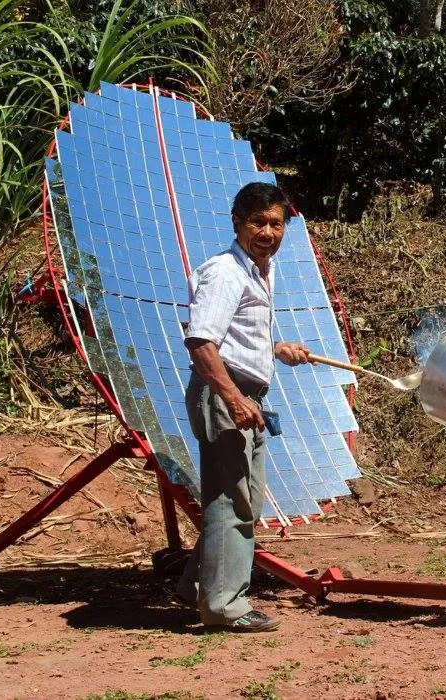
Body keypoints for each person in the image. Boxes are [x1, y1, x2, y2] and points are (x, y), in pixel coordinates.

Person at [175, 182, 311, 632]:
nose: (268, 232)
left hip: (242, 393)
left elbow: (235, 338)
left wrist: (277, 348)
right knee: (232, 500)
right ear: (237, 223)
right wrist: (232, 398)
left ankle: (198, 586)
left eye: (276, 223)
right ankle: (223, 607)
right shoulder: (226, 272)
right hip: (226, 395)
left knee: (240, 498)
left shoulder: (259, 271)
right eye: (258, 222)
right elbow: (201, 341)